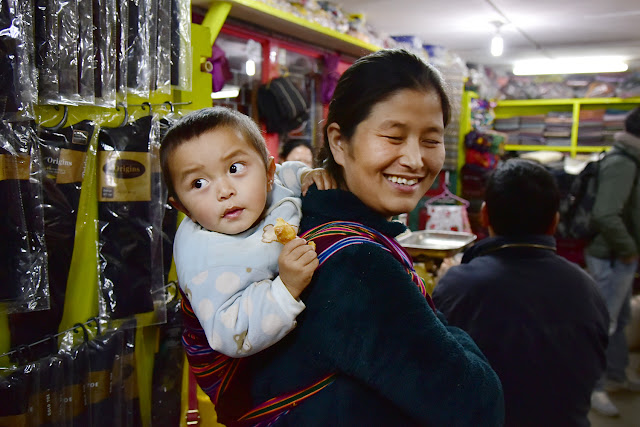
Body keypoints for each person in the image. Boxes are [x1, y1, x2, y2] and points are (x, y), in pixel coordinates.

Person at [182, 49, 504, 426]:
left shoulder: (303, 218)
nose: (416, 159)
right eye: (393, 136)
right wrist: (447, 330)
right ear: (337, 141)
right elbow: (478, 407)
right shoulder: (353, 263)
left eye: (431, 140)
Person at [432, 158, 609, 426]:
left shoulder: (458, 285)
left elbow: (435, 376)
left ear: (485, 216)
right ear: (554, 222)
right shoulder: (588, 288)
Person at [160, 106, 334, 357]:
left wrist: (305, 175)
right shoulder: (206, 262)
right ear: (183, 208)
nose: (224, 191)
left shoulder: (271, 185)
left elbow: (285, 175)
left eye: (234, 168)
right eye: (199, 183)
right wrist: (285, 288)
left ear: (268, 172)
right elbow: (231, 334)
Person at [585, 106, 640, 416]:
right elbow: (605, 213)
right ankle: (594, 387)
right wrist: (629, 247)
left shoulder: (630, 159)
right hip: (612, 255)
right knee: (604, 323)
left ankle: (617, 375)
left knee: (619, 320)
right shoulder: (623, 162)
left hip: (619, 254)